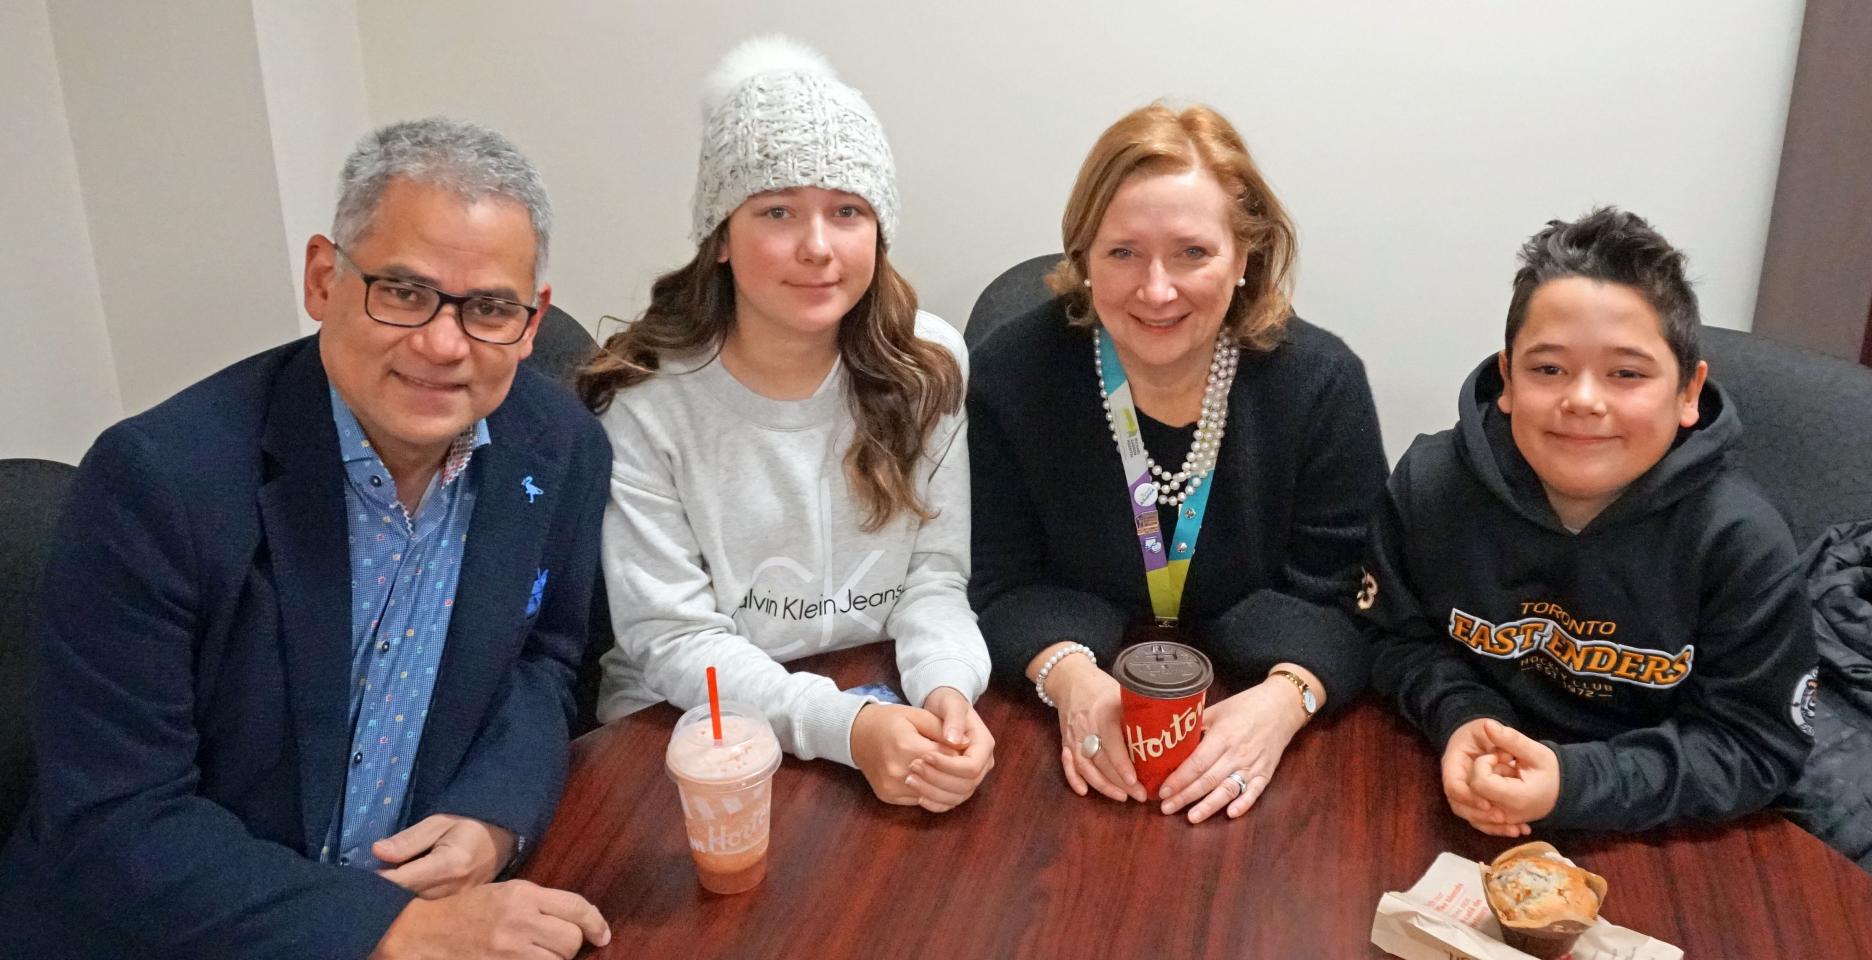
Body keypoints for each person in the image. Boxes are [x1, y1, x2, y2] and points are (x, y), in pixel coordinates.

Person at [0, 118, 615, 959]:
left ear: (532, 319)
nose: (443, 344)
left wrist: (496, 813)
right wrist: (392, 928)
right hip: (177, 928)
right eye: (402, 291)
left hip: (427, 894)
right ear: (324, 278)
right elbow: (116, 818)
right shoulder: (158, 483)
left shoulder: (561, 446)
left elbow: (545, 659)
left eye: (489, 308)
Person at [578, 37, 994, 813]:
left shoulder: (928, 364)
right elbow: (673, 642)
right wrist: (850, 726)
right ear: (722, 238)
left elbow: (935, 578)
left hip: (878, 700)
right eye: (777, 211)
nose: (817, 247)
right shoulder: (644, 399)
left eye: (847, 211)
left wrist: (949, 689)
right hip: (691, 732)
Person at [968, 103, 1387, 823]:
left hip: (1259, 731)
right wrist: (1069, 679)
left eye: (1192, 253)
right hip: (1064, 730)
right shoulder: (1012, 373)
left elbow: (1351, 596)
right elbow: (997, 577)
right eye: (1123, 252)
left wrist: (1288, 703)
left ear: (1245, 256)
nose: (1156, 290)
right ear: (1082, 256)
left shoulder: (1320, 382)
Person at [1364, 207, 1817, 836]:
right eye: (1547, 369)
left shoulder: (1741, 539)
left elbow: (1756, 741)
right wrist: (1463, 716)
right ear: (1508, 380)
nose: (1582, 399)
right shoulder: (1430, 486)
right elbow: (1395, 638)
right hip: (1461, 785)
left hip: (1659, 823)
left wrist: (1576, 781)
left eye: (1626, 374)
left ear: (1688, 392)